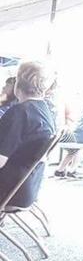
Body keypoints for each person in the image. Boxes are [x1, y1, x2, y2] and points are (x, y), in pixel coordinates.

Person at [0, 62, 56, 204]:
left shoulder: (18, 113)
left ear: (18, 82)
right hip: (26, 189)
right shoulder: (44, 111)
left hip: (7, 190)